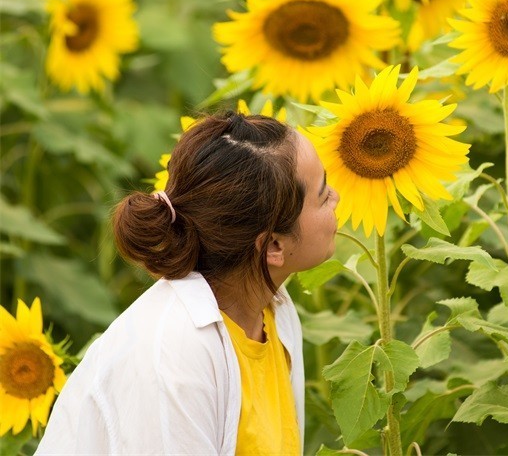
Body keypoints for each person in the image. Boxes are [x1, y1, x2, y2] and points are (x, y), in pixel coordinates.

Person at [36, 110, 340, 455]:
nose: (337, 196)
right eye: (322, 194)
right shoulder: (175, 355)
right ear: (273, 245)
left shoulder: (274, 309)